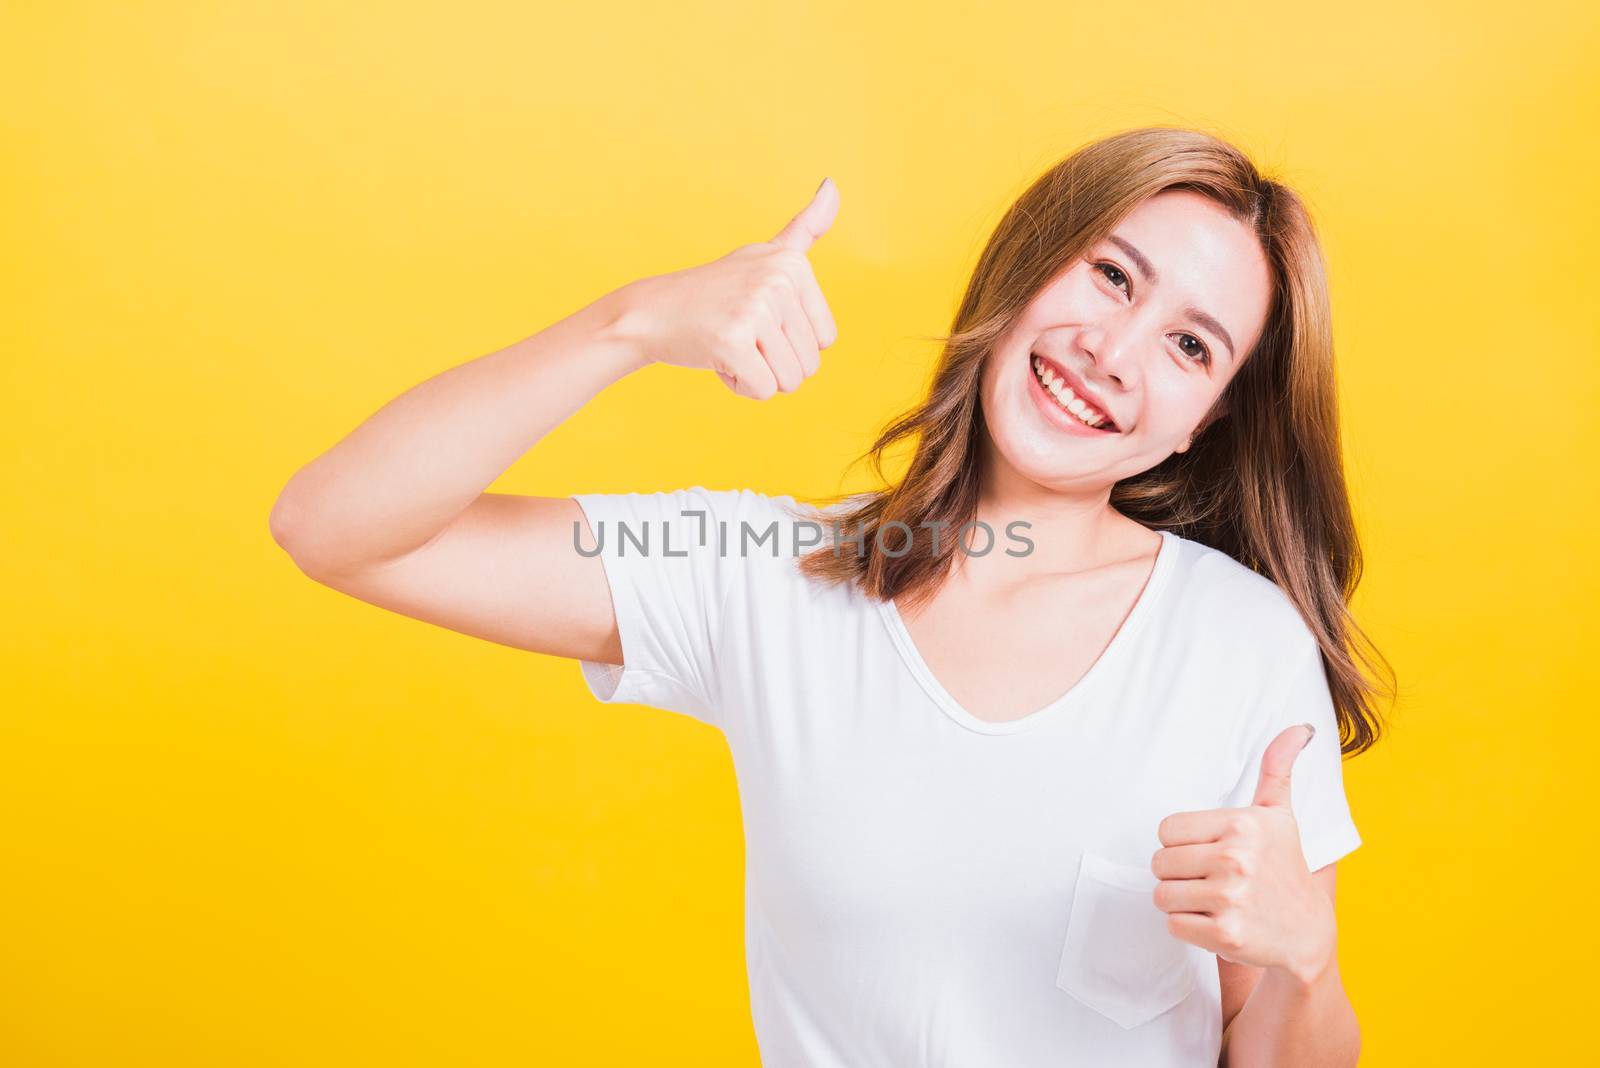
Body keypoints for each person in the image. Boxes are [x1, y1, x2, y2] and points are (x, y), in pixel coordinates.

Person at [269, 125, 1393, 1067]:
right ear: (1028, 267)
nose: (1113, 350)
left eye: (1189, 345)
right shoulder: (764, 577)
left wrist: (1305, 958)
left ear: (1204, 423)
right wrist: (631, 324)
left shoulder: (1237, 644)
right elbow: (335, 529)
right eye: (1110, 275)